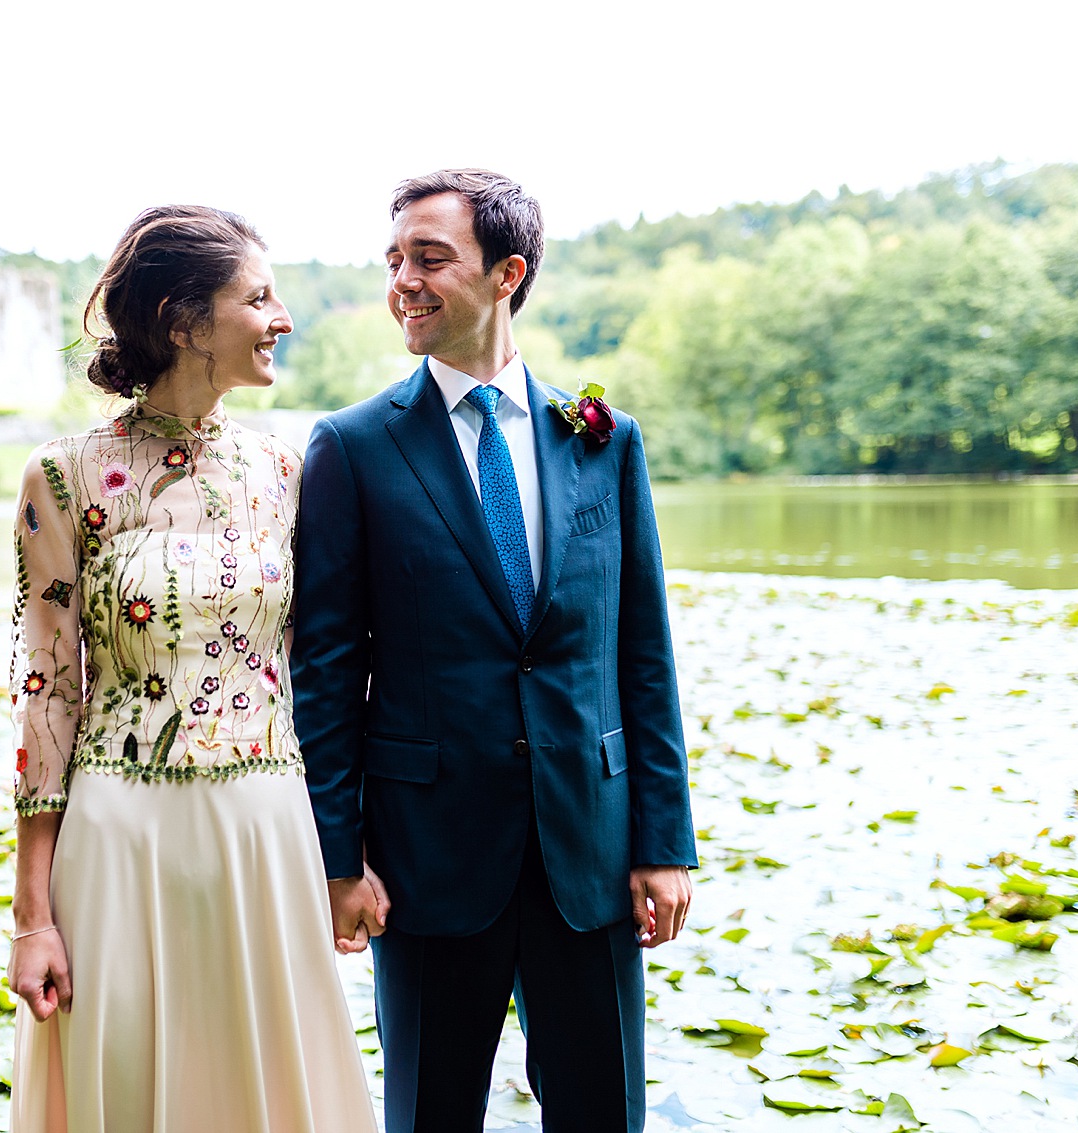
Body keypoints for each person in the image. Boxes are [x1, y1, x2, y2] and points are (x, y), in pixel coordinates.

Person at [291, 170, 698, 1133]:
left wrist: (662, 840)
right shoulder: (351, 449)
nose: (404, 281)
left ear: (507, 273)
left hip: (589, 855)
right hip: (427, 859)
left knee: (604, 1114)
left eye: (431, 258)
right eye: (394, 261)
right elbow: (325, 672)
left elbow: (642, 650)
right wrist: (337, 859)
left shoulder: (603, 438)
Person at [5, 205, 379, 1133]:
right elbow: (48, 694)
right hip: (120, 838)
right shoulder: (64, 477)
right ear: (182, 319)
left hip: (265, 832)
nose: (281, 316)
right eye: (258, 297)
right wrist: (32, 916)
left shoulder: (286, 473)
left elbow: (321, 670)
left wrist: (347, 851)